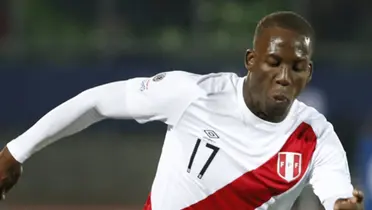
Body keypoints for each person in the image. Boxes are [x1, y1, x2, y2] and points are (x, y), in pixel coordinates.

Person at [0, 11, 364, 210]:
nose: (284, 77)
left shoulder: (315, 136)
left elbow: (337, 197)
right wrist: (15, 151)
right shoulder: (192, 94)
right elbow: (96, 101)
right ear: (251, 61)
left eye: (297, 68)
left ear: (309, 73)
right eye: (273, 62)